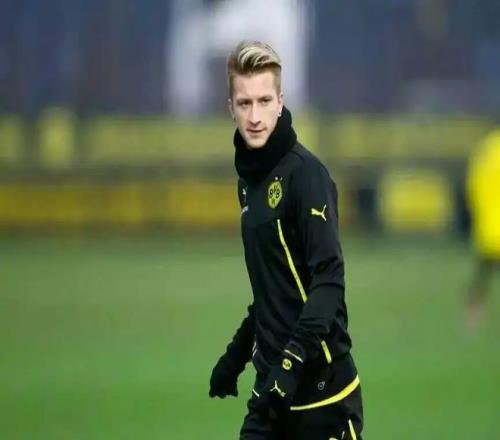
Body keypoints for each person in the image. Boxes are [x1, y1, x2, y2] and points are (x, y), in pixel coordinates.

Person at [209, 40, 363, 440]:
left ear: (280, 102)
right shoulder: (248, 184)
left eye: (264, 101)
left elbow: (328, 282)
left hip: (323, 395)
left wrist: (291, 364)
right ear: (230, 108)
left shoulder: (307, 175)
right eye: (244, 103)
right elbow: (274, 291)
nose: (254, 116)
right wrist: (236, 356)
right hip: (272, 391)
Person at [466, 127, 500, 330]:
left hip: (489, 227)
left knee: (482, 277)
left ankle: (472, 321)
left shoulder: (486, 148)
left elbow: (472, 186)